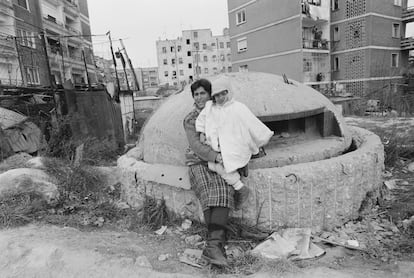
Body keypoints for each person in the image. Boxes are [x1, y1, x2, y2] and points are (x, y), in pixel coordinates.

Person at [195, 76, 274, 210]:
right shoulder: (210, 108)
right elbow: (202, 120)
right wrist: (202, 132)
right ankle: (240, 180)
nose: (220, 98)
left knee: (227, 162)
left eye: (223, 94)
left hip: (235, 143)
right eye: (217, 95)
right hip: (219, 145)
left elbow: (251, 123)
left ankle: (239, 186)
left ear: (229, 92)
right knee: (213, 166)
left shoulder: (238, 107)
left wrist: (261, 139)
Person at [183, 79, 233, 267]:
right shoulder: (190, 118)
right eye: (196, 94)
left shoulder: (219, 112)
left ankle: (212, 247)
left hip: (220, 161)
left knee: (223, 190)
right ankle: (216, 246)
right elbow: (196, 145)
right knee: (207, 192)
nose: (199, 97)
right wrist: (216, 157)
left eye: (203, 93)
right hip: (198, 162)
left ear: (210, 94)